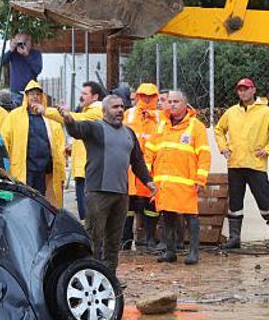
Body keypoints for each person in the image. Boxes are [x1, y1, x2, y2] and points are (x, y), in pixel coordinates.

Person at [59, 94, 155, 273]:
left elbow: (137, 161)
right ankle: (89, 274)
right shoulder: (96, 128)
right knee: (94, 237)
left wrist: (148, 181)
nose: (120, 110)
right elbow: (77, 129)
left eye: (121, 106)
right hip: (98, 192)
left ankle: (110, 277)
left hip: (121, 194)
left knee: (114, 241)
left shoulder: (129, 133)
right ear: (104, 111)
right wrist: (68, 119)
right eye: (115, 107)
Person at [214, 77, 269, 251]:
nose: (243, 92)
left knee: (265, 200)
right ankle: (234, 239)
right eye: (240, 89)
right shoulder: (231, 112)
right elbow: (219, 130)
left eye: (246, 89)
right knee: (235, 203)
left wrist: (268, 150)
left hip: (256, 165)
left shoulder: (266, 112)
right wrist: (223, 147)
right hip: (235, 164)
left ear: (253, 90)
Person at [145, 90, 210, 265]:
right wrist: (147, 176)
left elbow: (204, 155)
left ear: (185, 104)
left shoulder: (196, 126)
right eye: (170, 101)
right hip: (164, 183)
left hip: (186, 182)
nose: (172, 104)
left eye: (176, 101)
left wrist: (200, 179)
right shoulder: (161, 125)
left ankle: (193, 253)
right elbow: (149, 151)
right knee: (167, 216)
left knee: (191, 216)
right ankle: (170, 251)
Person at [45, 80, 105, 221]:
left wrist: (45, 110)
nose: (81, 96)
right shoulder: (88, 112)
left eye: (85, 93)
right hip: (82, 170)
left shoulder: (97, 111)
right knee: (84, 212)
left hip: (88, 171)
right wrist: (73, 149)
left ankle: (92, 241)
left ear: (95, 97)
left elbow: (75, 119)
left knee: (88, 213)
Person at [1, 80, 66, 206]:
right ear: (26, 96)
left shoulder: (49, 117)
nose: (35, 97)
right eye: (31, 94)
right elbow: (4, 140)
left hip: (44, 170)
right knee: (23, 201)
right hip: (23, 168)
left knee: (42, 202)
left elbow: (59, 146)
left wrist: (61, 169)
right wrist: (3, 168)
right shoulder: (15, 116)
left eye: (37, 94)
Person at [124, 82, 163, 249]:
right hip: (130, 167)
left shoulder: (161, 117)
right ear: (138, 96)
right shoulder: (129, 114)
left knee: (151, 204)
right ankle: (125, 239)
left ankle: (150, 238)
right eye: (143, 96)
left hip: (152, 167)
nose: (147, 99)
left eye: (150, 96)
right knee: (128, 206)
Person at [1, 32, 42, 101]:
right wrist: (11, 49)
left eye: (26, 41)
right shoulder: (13, 53)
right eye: (21, 42)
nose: (24, 44)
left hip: (31, 91)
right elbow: (1, 63)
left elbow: (37, 70)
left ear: (30, 41)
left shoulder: (36, 54)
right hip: (16, 91)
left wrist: (27, 56)